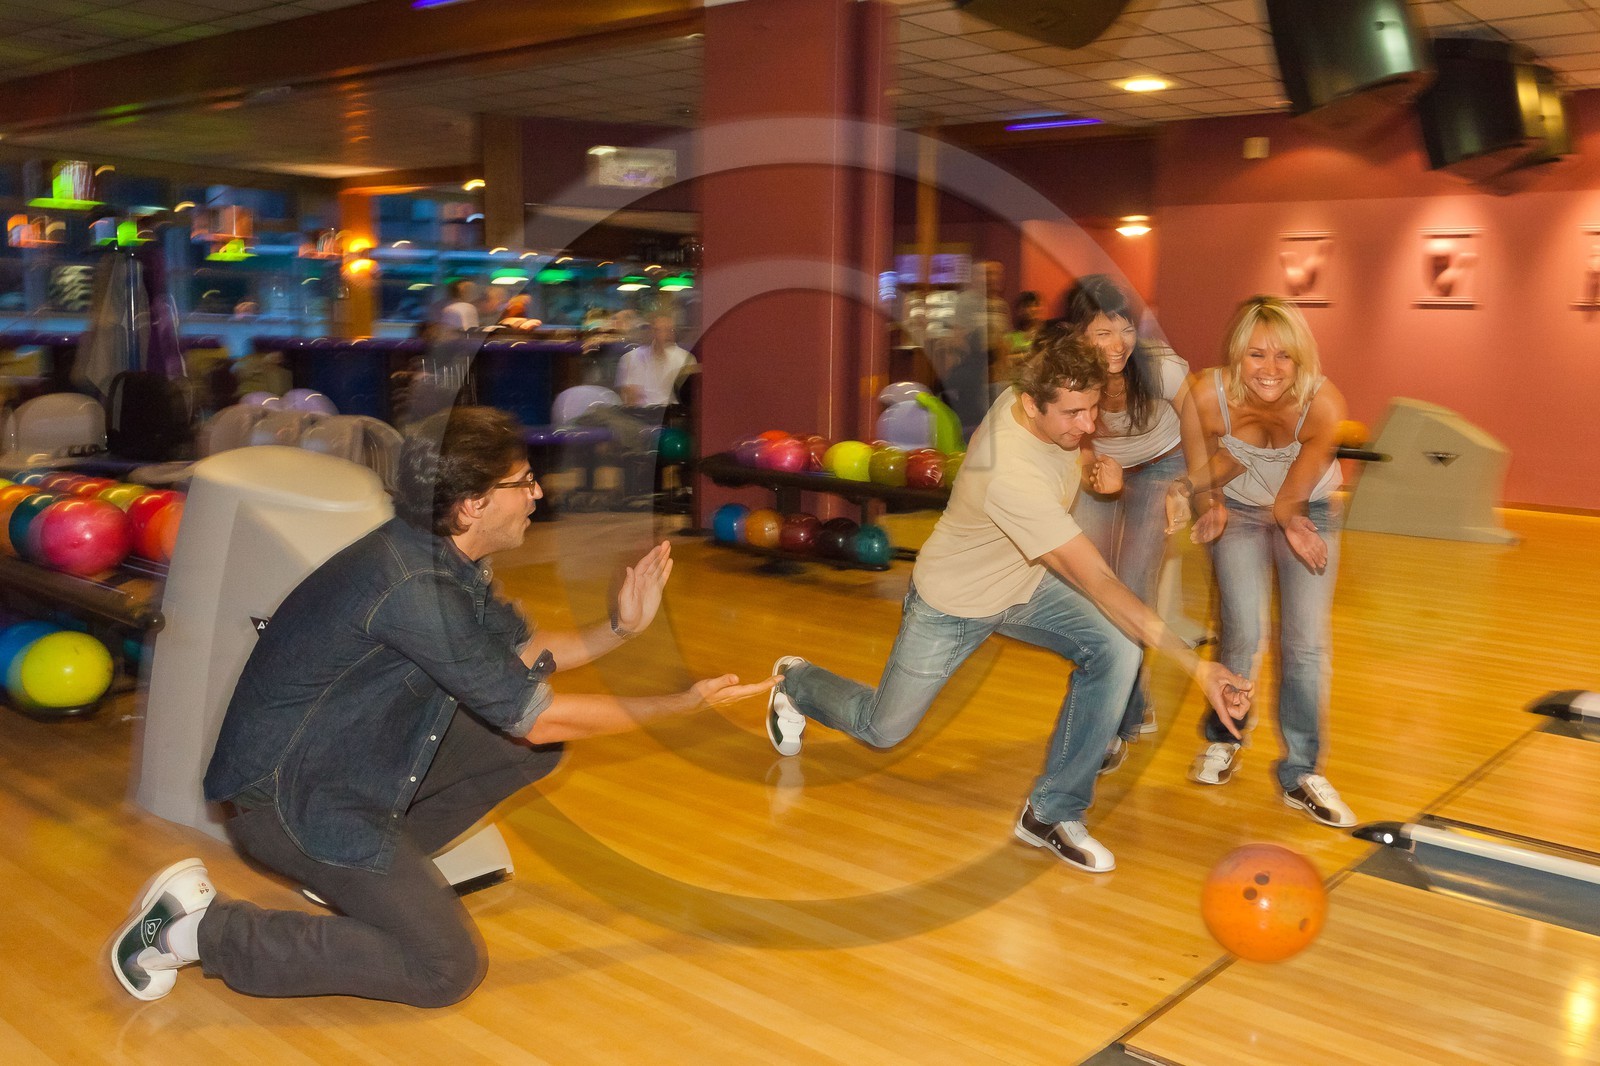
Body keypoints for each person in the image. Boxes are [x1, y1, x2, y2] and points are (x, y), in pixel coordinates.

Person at [110, 406, 776, 1006]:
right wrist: (677, 706)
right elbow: (539, 711)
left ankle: (362, 882)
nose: (538, 495)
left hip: (345, 761)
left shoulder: (442, 559)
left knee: (529, 747)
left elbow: (523, 654)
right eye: (524, 483)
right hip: (287, 800)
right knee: (444, 968)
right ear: (473, 505)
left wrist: (620, 629)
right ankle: (194, 930)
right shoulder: (412, 586)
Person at [765, 326, 1252, 874]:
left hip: (1022, 585)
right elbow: (1100, 581)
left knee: (1117, 650)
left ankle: (1050, 813)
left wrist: (1092, 460)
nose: (1087, 424)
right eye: (1073, 414)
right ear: (1029, 405)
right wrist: (1199, 670)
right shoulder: (1009, 473)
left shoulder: (1038, 396)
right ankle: (796, 682)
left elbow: (1075, 415)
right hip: (953, 601)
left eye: (1092, 409)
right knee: (883, 728)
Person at [1168, 295, 1355, 828]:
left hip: (1306, 506)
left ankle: (1301, 772)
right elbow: (1204, 471)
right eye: (1255, 355)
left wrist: (1293, 523)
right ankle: (1223, 737)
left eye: (1283, 357)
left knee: (1306, 643)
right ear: (1234, 356)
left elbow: (1288, 501)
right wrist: (1213, 506)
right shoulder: (1206, 398)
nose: (1269, 370)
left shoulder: (1323, 405)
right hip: (1242, 511)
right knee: (1242, 631)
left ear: (1301, 361)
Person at [1061, 275, 1191, 769]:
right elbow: (1072, 432)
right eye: (1102, 332)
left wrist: (1187, 489)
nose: (1118, 344)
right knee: (1092, 589)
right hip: (1102, 469)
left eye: (1125, 329)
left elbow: (1199, 428)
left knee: (1132, 587)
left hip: (1163, 466)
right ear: (1078, 336)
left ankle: (1118, 720)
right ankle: (1133, 704)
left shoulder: (1160, 369)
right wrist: (1093, 470)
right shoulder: (1066, 372)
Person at [615, 313, 696, 408]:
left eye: (668, 330)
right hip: (642, 417)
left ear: (673, 333)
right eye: (658, 330)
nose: (663, 335)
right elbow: (630, 399)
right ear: (650, 332)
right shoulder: (630, 359)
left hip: (674, 417)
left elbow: (691, 398)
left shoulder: (685, 359)